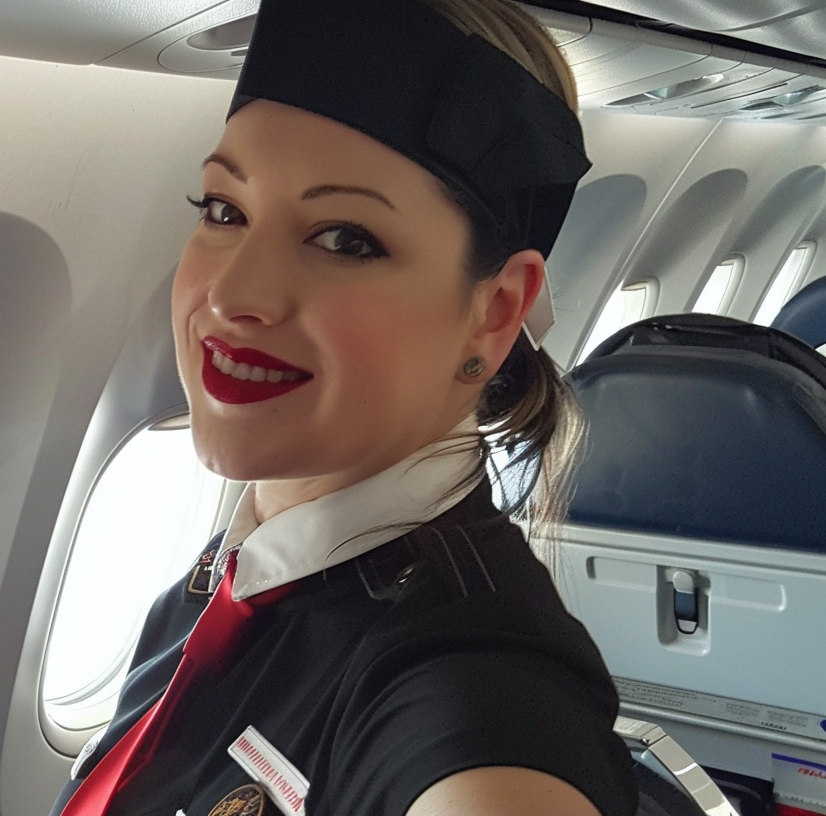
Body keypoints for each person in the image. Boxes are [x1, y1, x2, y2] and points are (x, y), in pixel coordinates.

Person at [49, 0, 640, 815]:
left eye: (344, 239)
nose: (233, 295)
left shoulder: (476, 691)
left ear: (496, 310)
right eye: (225, 211)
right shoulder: (223, 581)